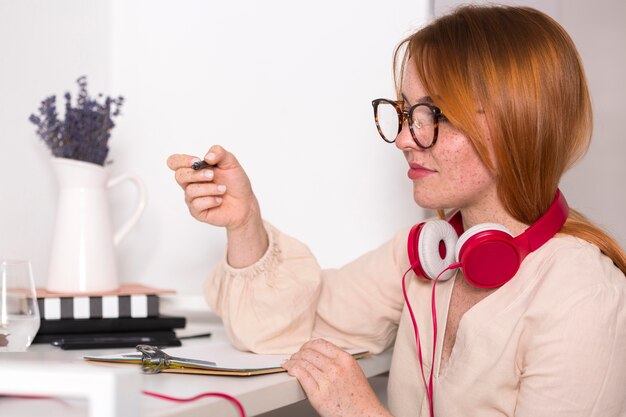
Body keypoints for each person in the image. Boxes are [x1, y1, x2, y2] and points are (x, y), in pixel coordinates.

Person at [167, 5, 626, 417]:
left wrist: (360, 412)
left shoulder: (583, 295)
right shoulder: (427, 258)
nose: (406, 139)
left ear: (515, 121)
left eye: (434, 115)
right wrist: (245, 224)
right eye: (406, 113)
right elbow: (285, 332)